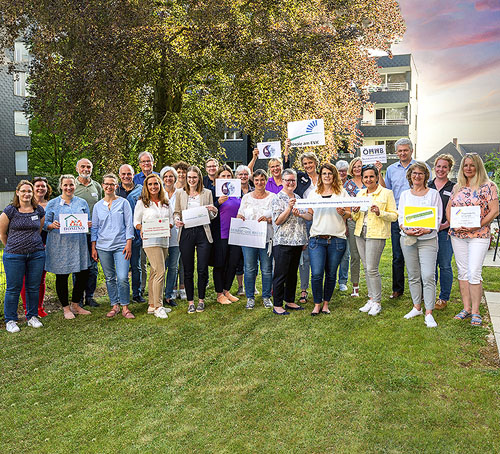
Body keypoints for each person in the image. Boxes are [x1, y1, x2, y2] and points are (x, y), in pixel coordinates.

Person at [448, 154, 499, 326]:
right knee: (462, 271)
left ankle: (476, 311)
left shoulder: (488, 186)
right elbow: (449, 208)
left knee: (474, 271)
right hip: (458, 235)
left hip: (479, 235)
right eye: (465, 165)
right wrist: (453, 224)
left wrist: (476, 225)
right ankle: (466, 308)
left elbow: (494, 211)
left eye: (472, 165)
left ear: (478, 167)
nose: (468, 168)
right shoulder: (457, 187)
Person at [398, 162, 442, 328]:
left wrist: (427, 229)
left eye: (421, 174)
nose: (417, 176)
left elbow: (437, 219)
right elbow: (401, 218)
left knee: (428, 275)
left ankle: (429, 312)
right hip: (408, 240)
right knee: (413, 274)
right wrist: (405, 229)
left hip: (428, 240)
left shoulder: (433, 194)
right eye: (414, 173)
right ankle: (417, 307)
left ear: (426, 176)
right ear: (410, 176)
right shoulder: (404, 195)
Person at [379, 138, 423, 299]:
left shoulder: (420, 167)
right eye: (400, 151)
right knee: (397, 255)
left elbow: (427, 188)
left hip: (418, 215)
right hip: (398, 216)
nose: (402, 153)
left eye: (405, 150)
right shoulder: (390, 169)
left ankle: (421, 289)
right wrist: (379, 173)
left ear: (411, 151)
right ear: (396, 152)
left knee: (418, 254)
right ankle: (397, 289)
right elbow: (386, 190)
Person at [351, 164, 398, 316]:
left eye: (372, 176)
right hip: (360, 232)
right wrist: (355, 211)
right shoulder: (360, 194)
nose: (369, 179)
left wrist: (380, 212)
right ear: (362, 178)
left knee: (372, 268)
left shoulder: (386, 193)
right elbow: (354, 217)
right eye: (366, 177)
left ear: (377, 177)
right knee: (366, 267)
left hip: (376, 234)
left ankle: (377, 301)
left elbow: (394, 215)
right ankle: (371, 298)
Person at [0, 181, 46, 333]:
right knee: (13, 288)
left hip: (36, 254)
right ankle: (10, 320)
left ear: (33, 194)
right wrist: (13, 248)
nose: (27, 194)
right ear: (18, 192)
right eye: (24, 191)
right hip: (14, 255)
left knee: (33, 287)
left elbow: (38, 230)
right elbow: (2, 234)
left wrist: (30, 246)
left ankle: (32, 317)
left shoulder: (38, 210)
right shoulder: (10, 211)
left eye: (29, 191)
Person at [44, 175, 92, 319]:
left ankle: (75, 304)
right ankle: (65, 308)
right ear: (61, 186)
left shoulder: (82, 202)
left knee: (83, 274)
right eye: (65, 185)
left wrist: (88, 224)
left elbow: (88, 221)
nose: (68, 188)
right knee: (62, 275)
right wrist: (51, 225)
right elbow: (45, 224)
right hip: (60, 245)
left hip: (79, 244)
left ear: (75, 186)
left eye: (71, 185)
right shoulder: (52, 204)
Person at [307, 163, 350, 316]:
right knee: (317, 273)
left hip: (337, 240)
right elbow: (310, 215)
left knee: (331, 274)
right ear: (320, 175)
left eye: (330, 173)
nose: (327, 176)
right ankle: (317, 304)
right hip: (317, 239)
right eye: (324, 173)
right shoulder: (313, 194)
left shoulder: (342, 193)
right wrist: (300, 214)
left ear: (334, 176)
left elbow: (349, 215)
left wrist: (342, 213)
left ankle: (326, 304)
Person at [174, 166, 218, 314]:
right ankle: (190, 301)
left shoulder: (207, 193)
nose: (192, 180)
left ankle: (201, 301)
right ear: (186, 178)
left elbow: (211, 216)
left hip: (202, 232)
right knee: (187, 268)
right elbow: (176, 212)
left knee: (202, 268)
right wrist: (177, 219)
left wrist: (213, 211)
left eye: (194, 177)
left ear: (199, 177)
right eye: (189, 177)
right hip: (186, 232)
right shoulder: (180, 193)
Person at [91, 174, 135, 319]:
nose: (109, 186)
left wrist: (129, 243)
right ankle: (114, 305)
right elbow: (95, 228)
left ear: (117, 186)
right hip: (103, 247)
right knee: (110, 277)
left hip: (121, 245)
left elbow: (129, 224)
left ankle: (125, 307)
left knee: (122, 277)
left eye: (112, 184)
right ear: (102, 186)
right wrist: (94, 246)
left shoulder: (123, 203)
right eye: (106, 184)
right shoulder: (97, 206)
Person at [283, 138, 319, 304]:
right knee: (304, 258)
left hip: (321, 220)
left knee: (319, 256)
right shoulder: (301, 178)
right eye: (305, 163)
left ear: (316, 163)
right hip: (305, 219)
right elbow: (286, 171)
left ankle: (319, 288)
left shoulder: (324, 176)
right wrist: (286, 150)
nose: (308, 166)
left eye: (310, 162)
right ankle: (304, 290)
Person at [271, 169, 312, 315]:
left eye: (293, 180)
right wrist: (289, 208)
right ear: (282, 181)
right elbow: (277, 221)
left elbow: (308, 216)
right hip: (283, 242)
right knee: (280, 274)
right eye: (287, 180)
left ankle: (289, 301)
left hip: (297, 241)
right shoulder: (277, 198)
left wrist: (300, 213)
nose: (290, 183)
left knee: (292, 274)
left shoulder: (299, 197)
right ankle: (277, 304)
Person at [133, 174, 172, 319]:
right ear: (146, 186)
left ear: (160, 185)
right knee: (161, 271)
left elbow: (172, 218)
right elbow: (136, 221)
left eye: (156, 184)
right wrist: (141, 228)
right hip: (150, 240)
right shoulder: (142, 202)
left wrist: (169, 224)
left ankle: (151, 304)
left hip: (164, 239)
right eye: (150, 184)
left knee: (154, 272)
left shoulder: (165, 201)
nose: (153, 187)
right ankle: (158, 306)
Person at [237, 169, 274, 309]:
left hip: (266, 238)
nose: (259, 182)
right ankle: (250, 297)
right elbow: (240, 213)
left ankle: (266, 297)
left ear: (266, 180)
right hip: (249, 239)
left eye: (262, 179)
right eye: (257, 180)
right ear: (254, 181)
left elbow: (277, 217)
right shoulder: (246, 197)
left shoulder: (273, 197)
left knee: (266, 268)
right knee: (250, 268)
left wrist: (269, 219)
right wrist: (240, 217)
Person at [20, 177, 52, 318]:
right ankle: (28, 308)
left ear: (47, 189)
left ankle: (39, 307)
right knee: (25, 279)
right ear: (32, 189)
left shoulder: (52, 204)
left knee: (40, 279)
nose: (40, 188)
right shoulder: (25, 205)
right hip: (27, 247)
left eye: (43, 186)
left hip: (46, 246)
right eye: (37, 186)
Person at [212, 165, 243, 304]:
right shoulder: (214, 193)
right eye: (223, 176)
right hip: (221, 234)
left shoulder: (237, 192)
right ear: (218, 178)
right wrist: (218, 203)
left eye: (228, 176)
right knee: (220, 263)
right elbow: (209, 211)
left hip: (236, 233)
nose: (226, 178)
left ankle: (227, 290)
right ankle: (219, 294)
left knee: (233, 263)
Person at [74, 158, 102, 307]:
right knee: (77, 266)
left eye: (88, 167)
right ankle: (77, 298)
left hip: (93, 234)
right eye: (83, 166)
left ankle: (89, 297)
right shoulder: (72, 185)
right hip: (76, 233)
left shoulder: (97, 186)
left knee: (92, 266)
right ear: (77, 168)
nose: (86, 169)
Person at [429, 154, 456, 310]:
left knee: (445, 265)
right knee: (430, 265)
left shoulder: (454, 187)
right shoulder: (428, 185)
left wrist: (446, 224)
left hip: (445, 232)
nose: (441, 169)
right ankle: (430, 295)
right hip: (428, 232)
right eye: (438, 166)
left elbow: (457, 210)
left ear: (449, 169)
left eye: (444, 167)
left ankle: (443, 297)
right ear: (435, 167)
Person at [133, 152, 160, 297]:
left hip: (159, 230)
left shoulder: (159, 176)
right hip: (143, 230)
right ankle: (143, 288)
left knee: (158, 264)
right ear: (139, 164)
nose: (146, 164)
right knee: (142, 262)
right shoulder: (135, 179)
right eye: (143, 162)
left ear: (153, 162)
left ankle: (157, 290)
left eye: (148, 161)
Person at [117, 164, 145, 303]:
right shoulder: (115, 191)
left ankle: (137, 293)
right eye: (123, 174)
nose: (126, 176)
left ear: (133, 175)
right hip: (119, 235)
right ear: (119, 175)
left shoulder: (141, 190)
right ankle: (120, 294)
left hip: (135, 234)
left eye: (129, 174)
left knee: (136, 266)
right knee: (120, 268)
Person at [343, 157, 364, 297]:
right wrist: (344, 224)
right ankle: (355, 287)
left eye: (360, 166)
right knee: (355, 255)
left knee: (368, 256)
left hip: (369, 221)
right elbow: (345, 205)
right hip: (352, 222)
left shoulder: (370, 181)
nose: (357, 168)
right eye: (355, 166)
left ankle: (372, 286)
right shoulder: (347, 185)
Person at [160, 166, 180, 307]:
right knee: (160, 268)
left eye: (171, 176)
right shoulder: (158, 193)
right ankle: (158, 295)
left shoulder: (181, 193)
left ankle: (169, 295)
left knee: (173, 267)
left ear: (175, 178)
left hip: (176, 236)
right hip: (160, 236)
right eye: (166, 176)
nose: (168, 179)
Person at [234, 164, 254, 294]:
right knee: (239, 258)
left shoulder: (254, 190)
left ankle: (252, 284)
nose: (243, 176)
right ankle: (241, 286)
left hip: (253, 228)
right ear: (236, 177)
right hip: (238, 226)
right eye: (240, 174)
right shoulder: (232, 190)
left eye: (245, 174)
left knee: (252, 258)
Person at [172, 161, 189, 299]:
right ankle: (172, 286)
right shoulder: (170, 190)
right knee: (172, 260)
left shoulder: (190, 189)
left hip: (187, 228)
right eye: (179, 172)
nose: (181, 174)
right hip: (172, 229)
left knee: (184, 259)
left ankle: (182, 287)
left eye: (184, 172)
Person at [335, 160, 350, 292]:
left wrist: (346, 223)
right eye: (339, 171)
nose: (342, 173)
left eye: (344, 170)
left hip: (348, 220)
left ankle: (343, 280)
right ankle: (332, 279)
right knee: (333, 254)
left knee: (346, 254)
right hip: (333, 222)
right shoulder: (332, 185)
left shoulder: (351, 185)